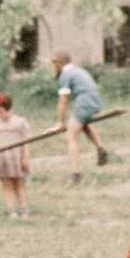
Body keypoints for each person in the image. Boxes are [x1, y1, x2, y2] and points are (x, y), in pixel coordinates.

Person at [52, 50, 108, 185]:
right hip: (95, 101)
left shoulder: (65, 74)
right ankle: (100, 148)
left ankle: (75, 174)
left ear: (59, 63)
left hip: (84, 102)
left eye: (53, 64)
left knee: (69, 136)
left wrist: (60, 122)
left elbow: (63, 100)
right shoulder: (78, 70)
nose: (52, 67)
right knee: (84, 124)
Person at [0, 91, 33, 218]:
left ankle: (23, 209)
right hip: (1, 158)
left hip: (16, 157)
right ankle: (11, 210)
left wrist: (25, 158)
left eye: (1, 111)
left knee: (18, 183)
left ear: (8, 109)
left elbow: (26, 142)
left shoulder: (20, 122)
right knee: (5, 183)